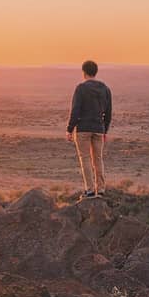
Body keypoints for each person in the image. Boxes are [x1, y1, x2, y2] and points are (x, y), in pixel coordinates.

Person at [66, 59, 112, 200]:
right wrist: (105, 130)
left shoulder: (81, 88)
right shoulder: (105, 89)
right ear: (95, 72)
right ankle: (101, 189)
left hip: (83, 129)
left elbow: (75, 110)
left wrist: (69, 129)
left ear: (84, 72)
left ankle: (90, 190)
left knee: (85, 159)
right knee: (98, 159)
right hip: (99, 128)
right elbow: (109, 112)